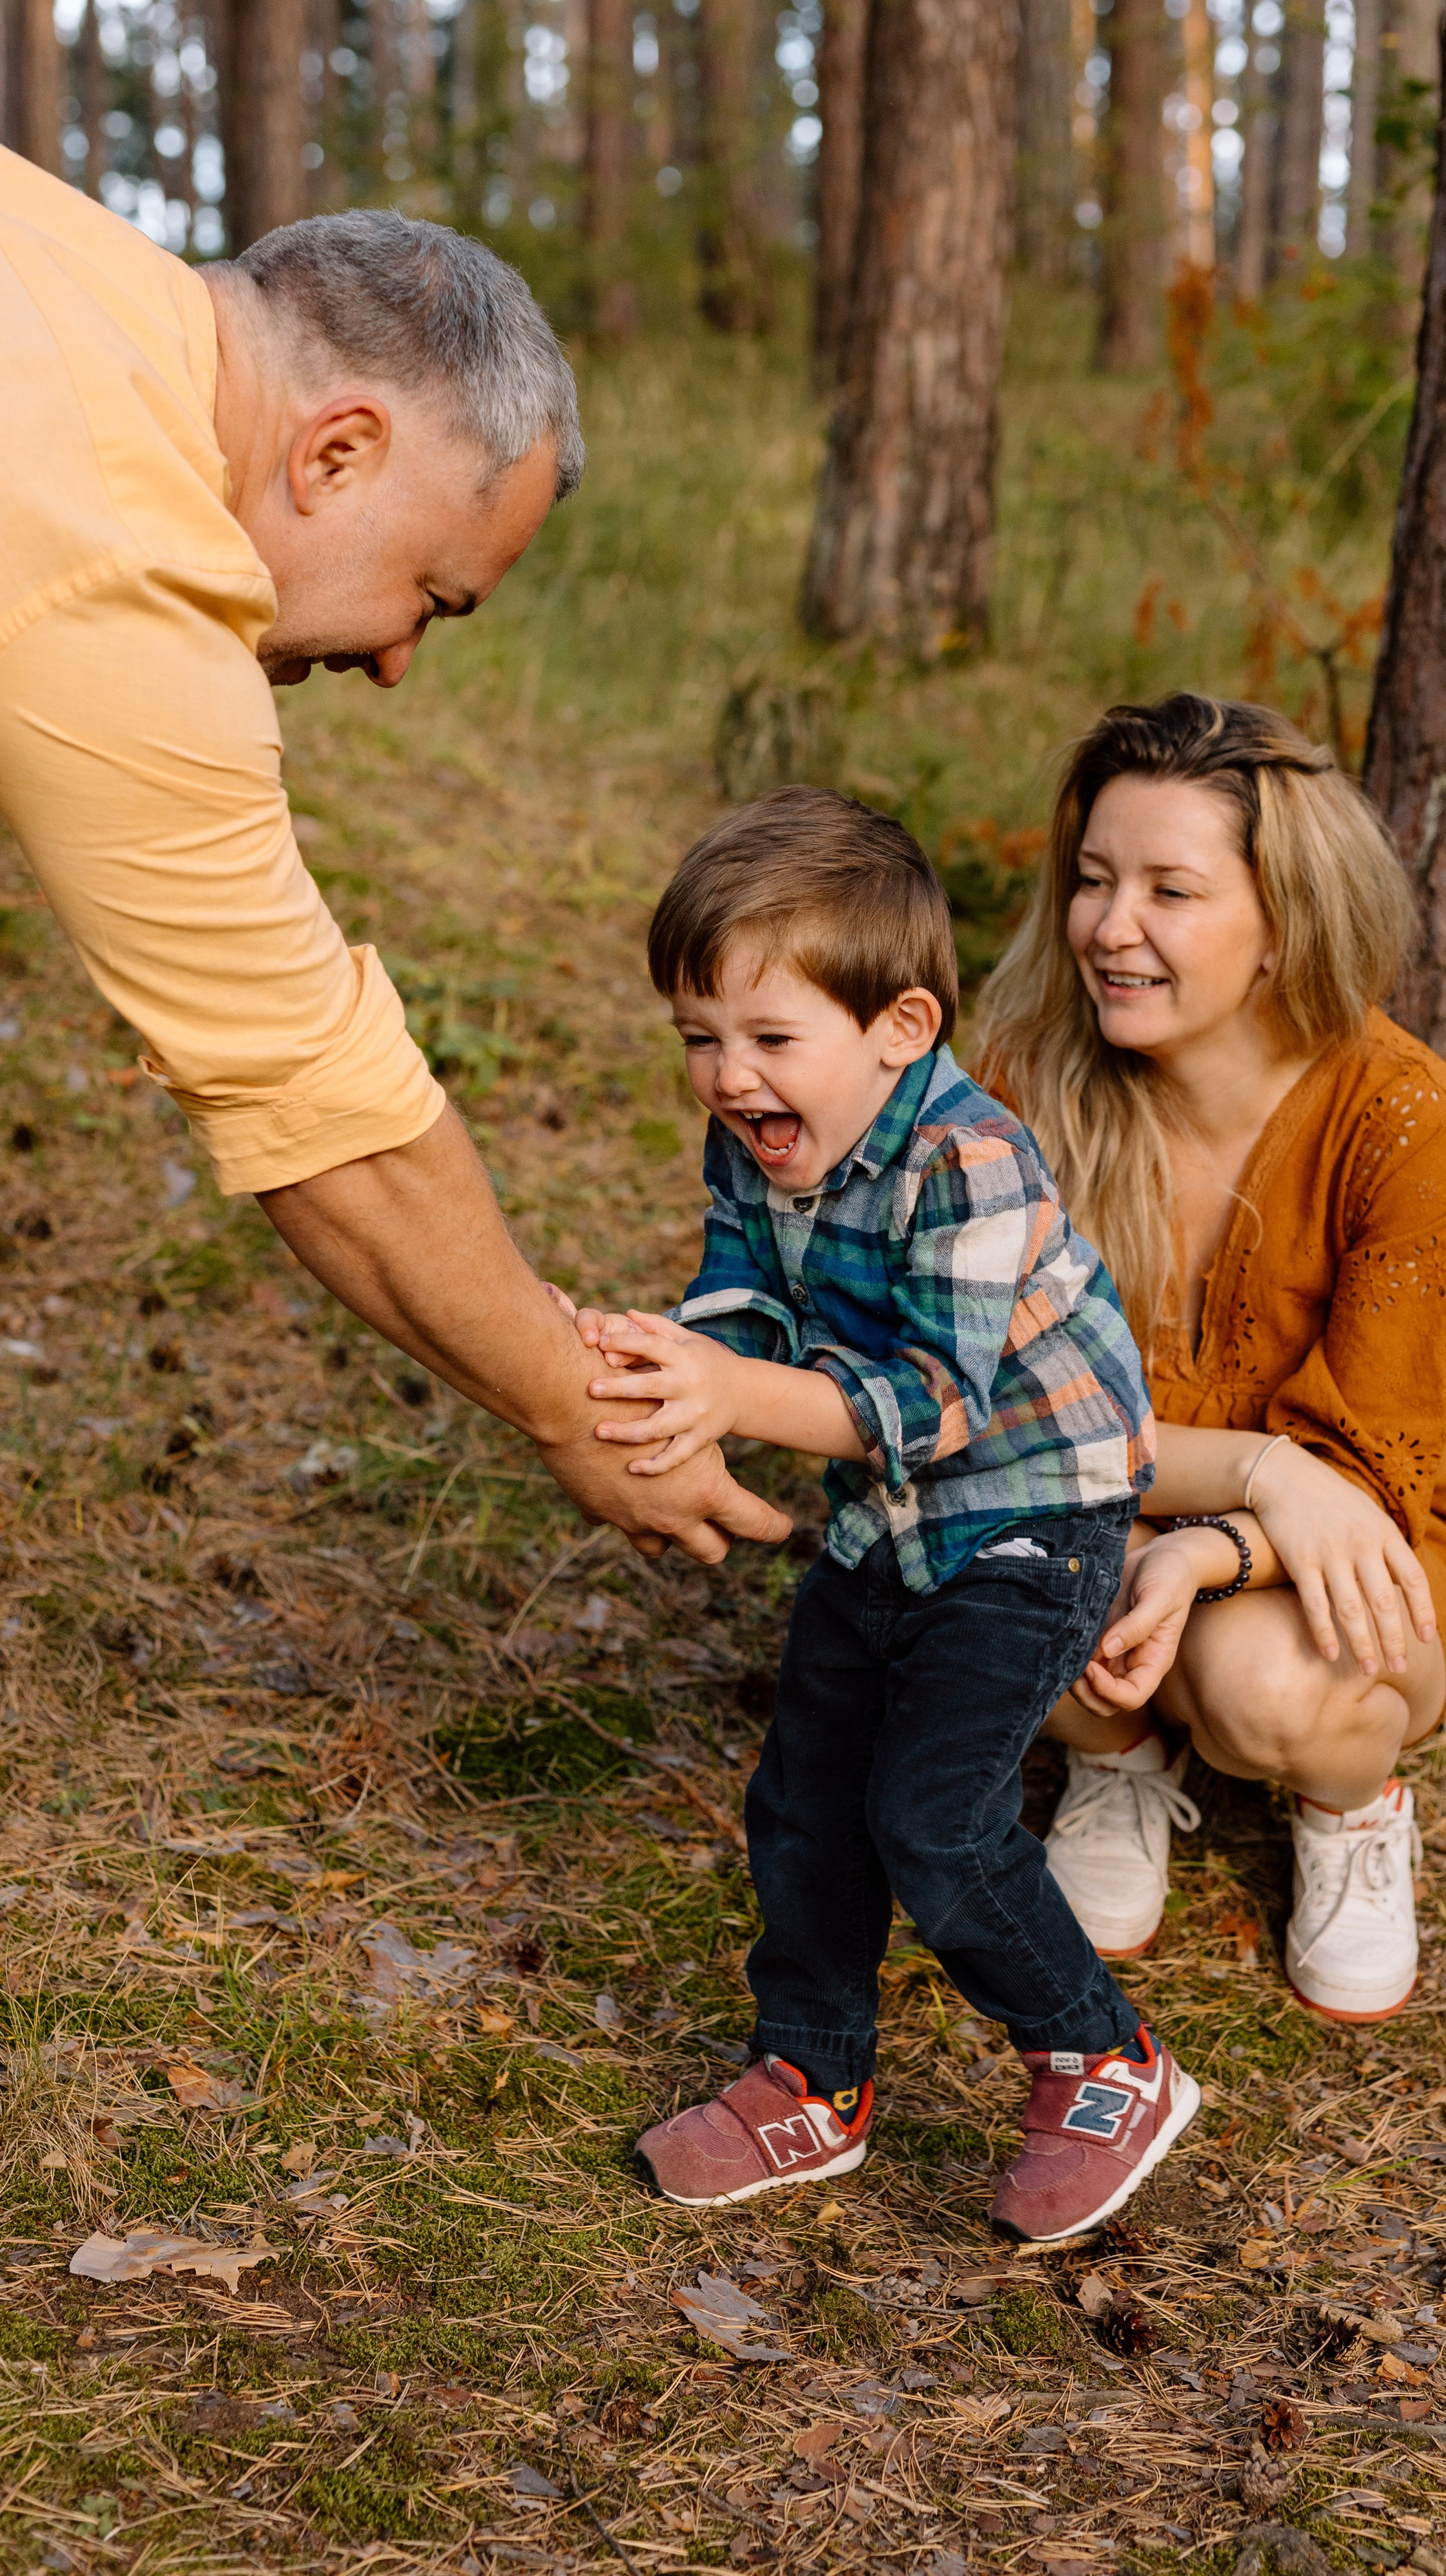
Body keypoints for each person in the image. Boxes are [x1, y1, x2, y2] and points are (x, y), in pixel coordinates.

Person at [0, 149, 784, 1567]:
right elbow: (308, 1090)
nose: (393, 664)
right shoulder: (116, 530)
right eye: (431, 594)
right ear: (338, 450)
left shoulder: (62, 263)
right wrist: (571, 1404)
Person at [550, 790, 1205, 2240]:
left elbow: (934, 1402)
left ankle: (1104, 2058)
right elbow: (743, 1297)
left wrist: (729, 1393)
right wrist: (673, 1367)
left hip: (1031, 1515)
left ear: (898, 1028)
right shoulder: (758, 1141)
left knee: (935, 1812)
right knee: (802, 1798)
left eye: (769, 1040)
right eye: (699, 1040)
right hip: (885, 1521)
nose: (727, 1078)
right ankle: (808, 2075)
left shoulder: (968, 1159)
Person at [974, 694, 1446, 2024]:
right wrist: (1258, 1470)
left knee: (1259, 1688)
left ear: (1284, 923)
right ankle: (1120, 1756)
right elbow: (1000, 1416)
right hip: (1087, 1501)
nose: (1110, 926)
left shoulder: (1401, 1118)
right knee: (976, 1566)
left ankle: (1352, 1806)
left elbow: (1369, 1467)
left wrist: (1211, 1544)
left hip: (1348, 1534)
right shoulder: (1032, 1081)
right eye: (1093, 880)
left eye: (1171, 890)